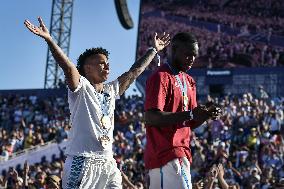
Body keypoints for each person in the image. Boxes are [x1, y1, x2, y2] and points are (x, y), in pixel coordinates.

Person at [24, 17, 170, 189]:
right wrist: (50, 40)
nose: (107, 67)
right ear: (88, 68)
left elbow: (134, 72)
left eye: (108, 63)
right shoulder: (81, 88)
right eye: (101, 63)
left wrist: (153, 50)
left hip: (107, 162)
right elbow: (68, 67)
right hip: (82, 160)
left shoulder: (112, 89)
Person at [144, 32, 221, 189]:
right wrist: (191, 114)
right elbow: (151, 117)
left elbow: (188, 123)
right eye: (187, 54)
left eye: (194, 55)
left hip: (177, 153)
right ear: (174, 50)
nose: (192, 59)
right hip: (168, 153)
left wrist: (204, 115)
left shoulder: (190, 81)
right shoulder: (161, 77)